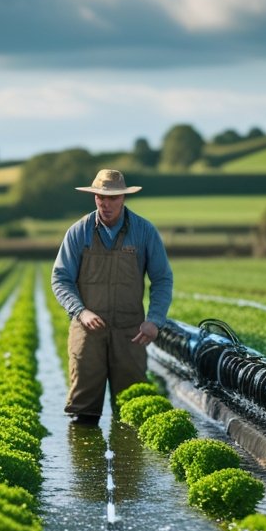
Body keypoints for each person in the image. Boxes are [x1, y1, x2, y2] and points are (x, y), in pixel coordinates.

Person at [51, 169, 173, 425]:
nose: (106, 204)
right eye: (100, 197)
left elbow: (161, 279)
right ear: (94, 197)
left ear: (123, 199)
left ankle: (127, 464)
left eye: (113, 198)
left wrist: (154, 320)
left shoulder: (144, 231)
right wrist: (80, 311)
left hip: (131, 332)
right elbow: (61, 279)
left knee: (132, 410)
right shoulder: (78, 232)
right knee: (83, 412)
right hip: (87, 330)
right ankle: (85, 464)